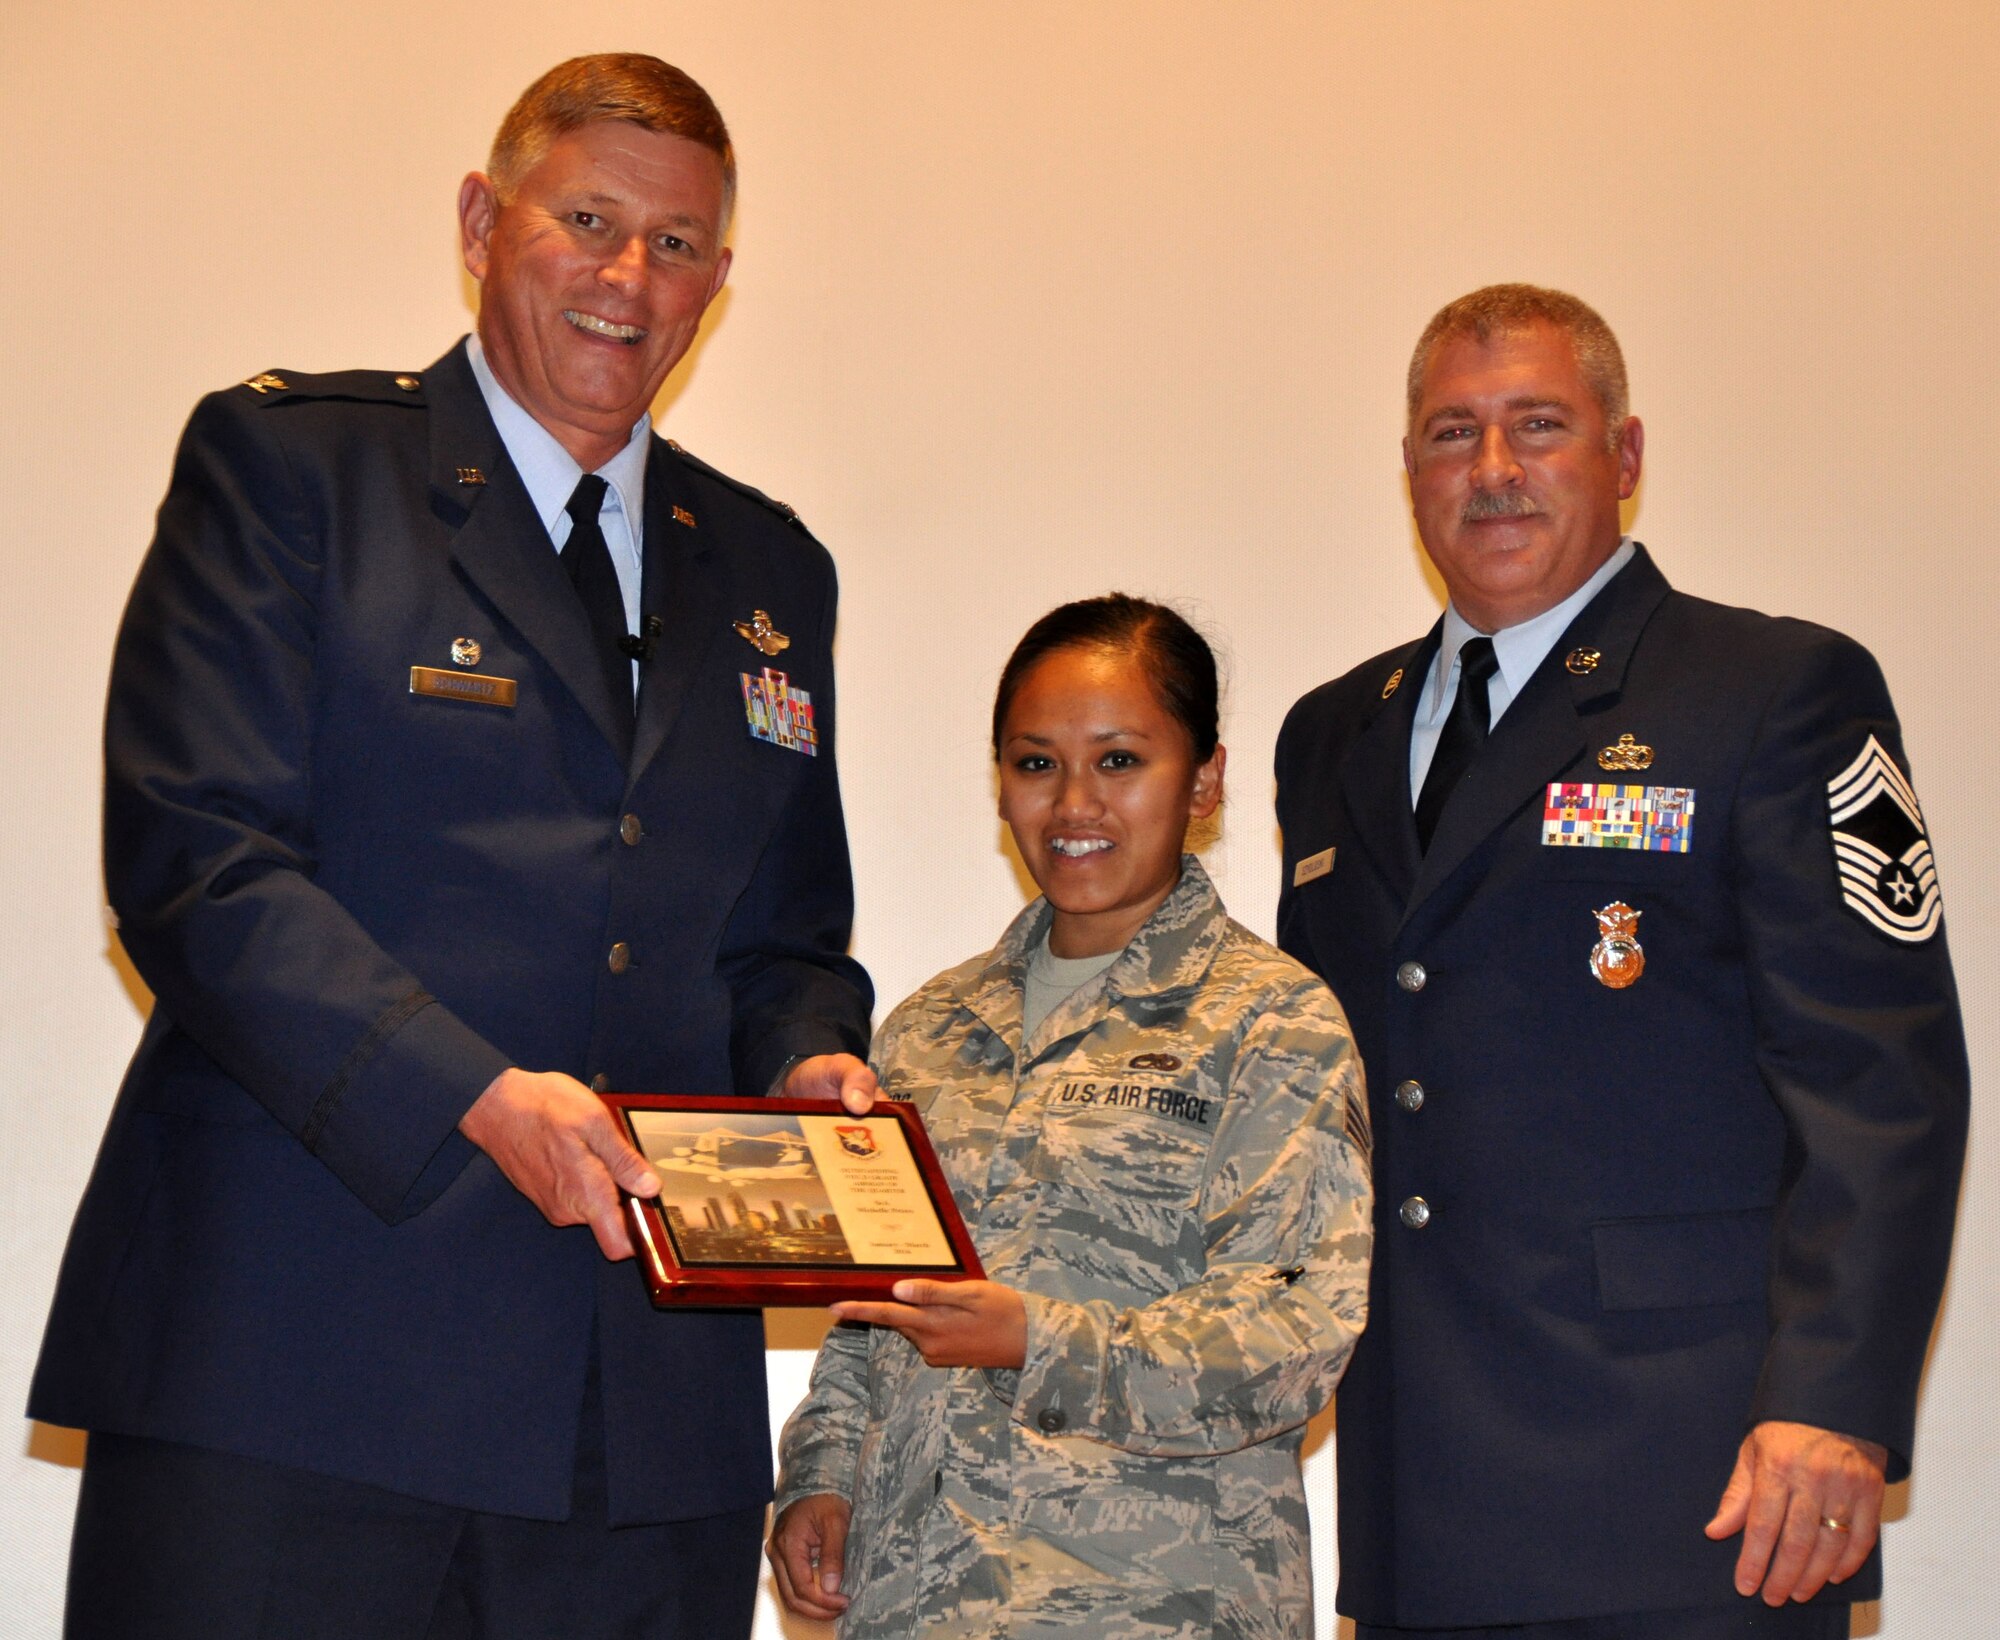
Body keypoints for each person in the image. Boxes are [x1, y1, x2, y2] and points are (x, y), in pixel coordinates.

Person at [30, 53, 877, 1640]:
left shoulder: (770, 569)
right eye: (590, 220)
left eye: (679, 244)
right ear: (486, 221)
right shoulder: (297, 471)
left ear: (719, 283)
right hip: (298, 1374)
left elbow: (787, 942)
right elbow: (198, 864)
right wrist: (476, 1098)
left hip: (634, 1434)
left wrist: (812, 1070)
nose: (632, 279)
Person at [1274, 284, 1969, 1639]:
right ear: (1408, 472)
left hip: (1695, 1489)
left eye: (1539, 425)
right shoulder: (1331, 736)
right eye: (1449, 433)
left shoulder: (1768, 691)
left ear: (1626, 458)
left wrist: (1832, 1400)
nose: (1493, 470)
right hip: (1421, 1489)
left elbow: (1880, 1081)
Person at [767, 595, 1373, 1638]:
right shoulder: (927, 1026)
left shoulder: (1271, 1017)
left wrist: (1037, 1339)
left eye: (1120, 759)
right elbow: (872, 1302)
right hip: (916, 1603)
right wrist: (820, 1471)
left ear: (1205, 780)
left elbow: (1294, 1333)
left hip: (1159, 1603)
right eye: (1035, 762)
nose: (1072, 802)